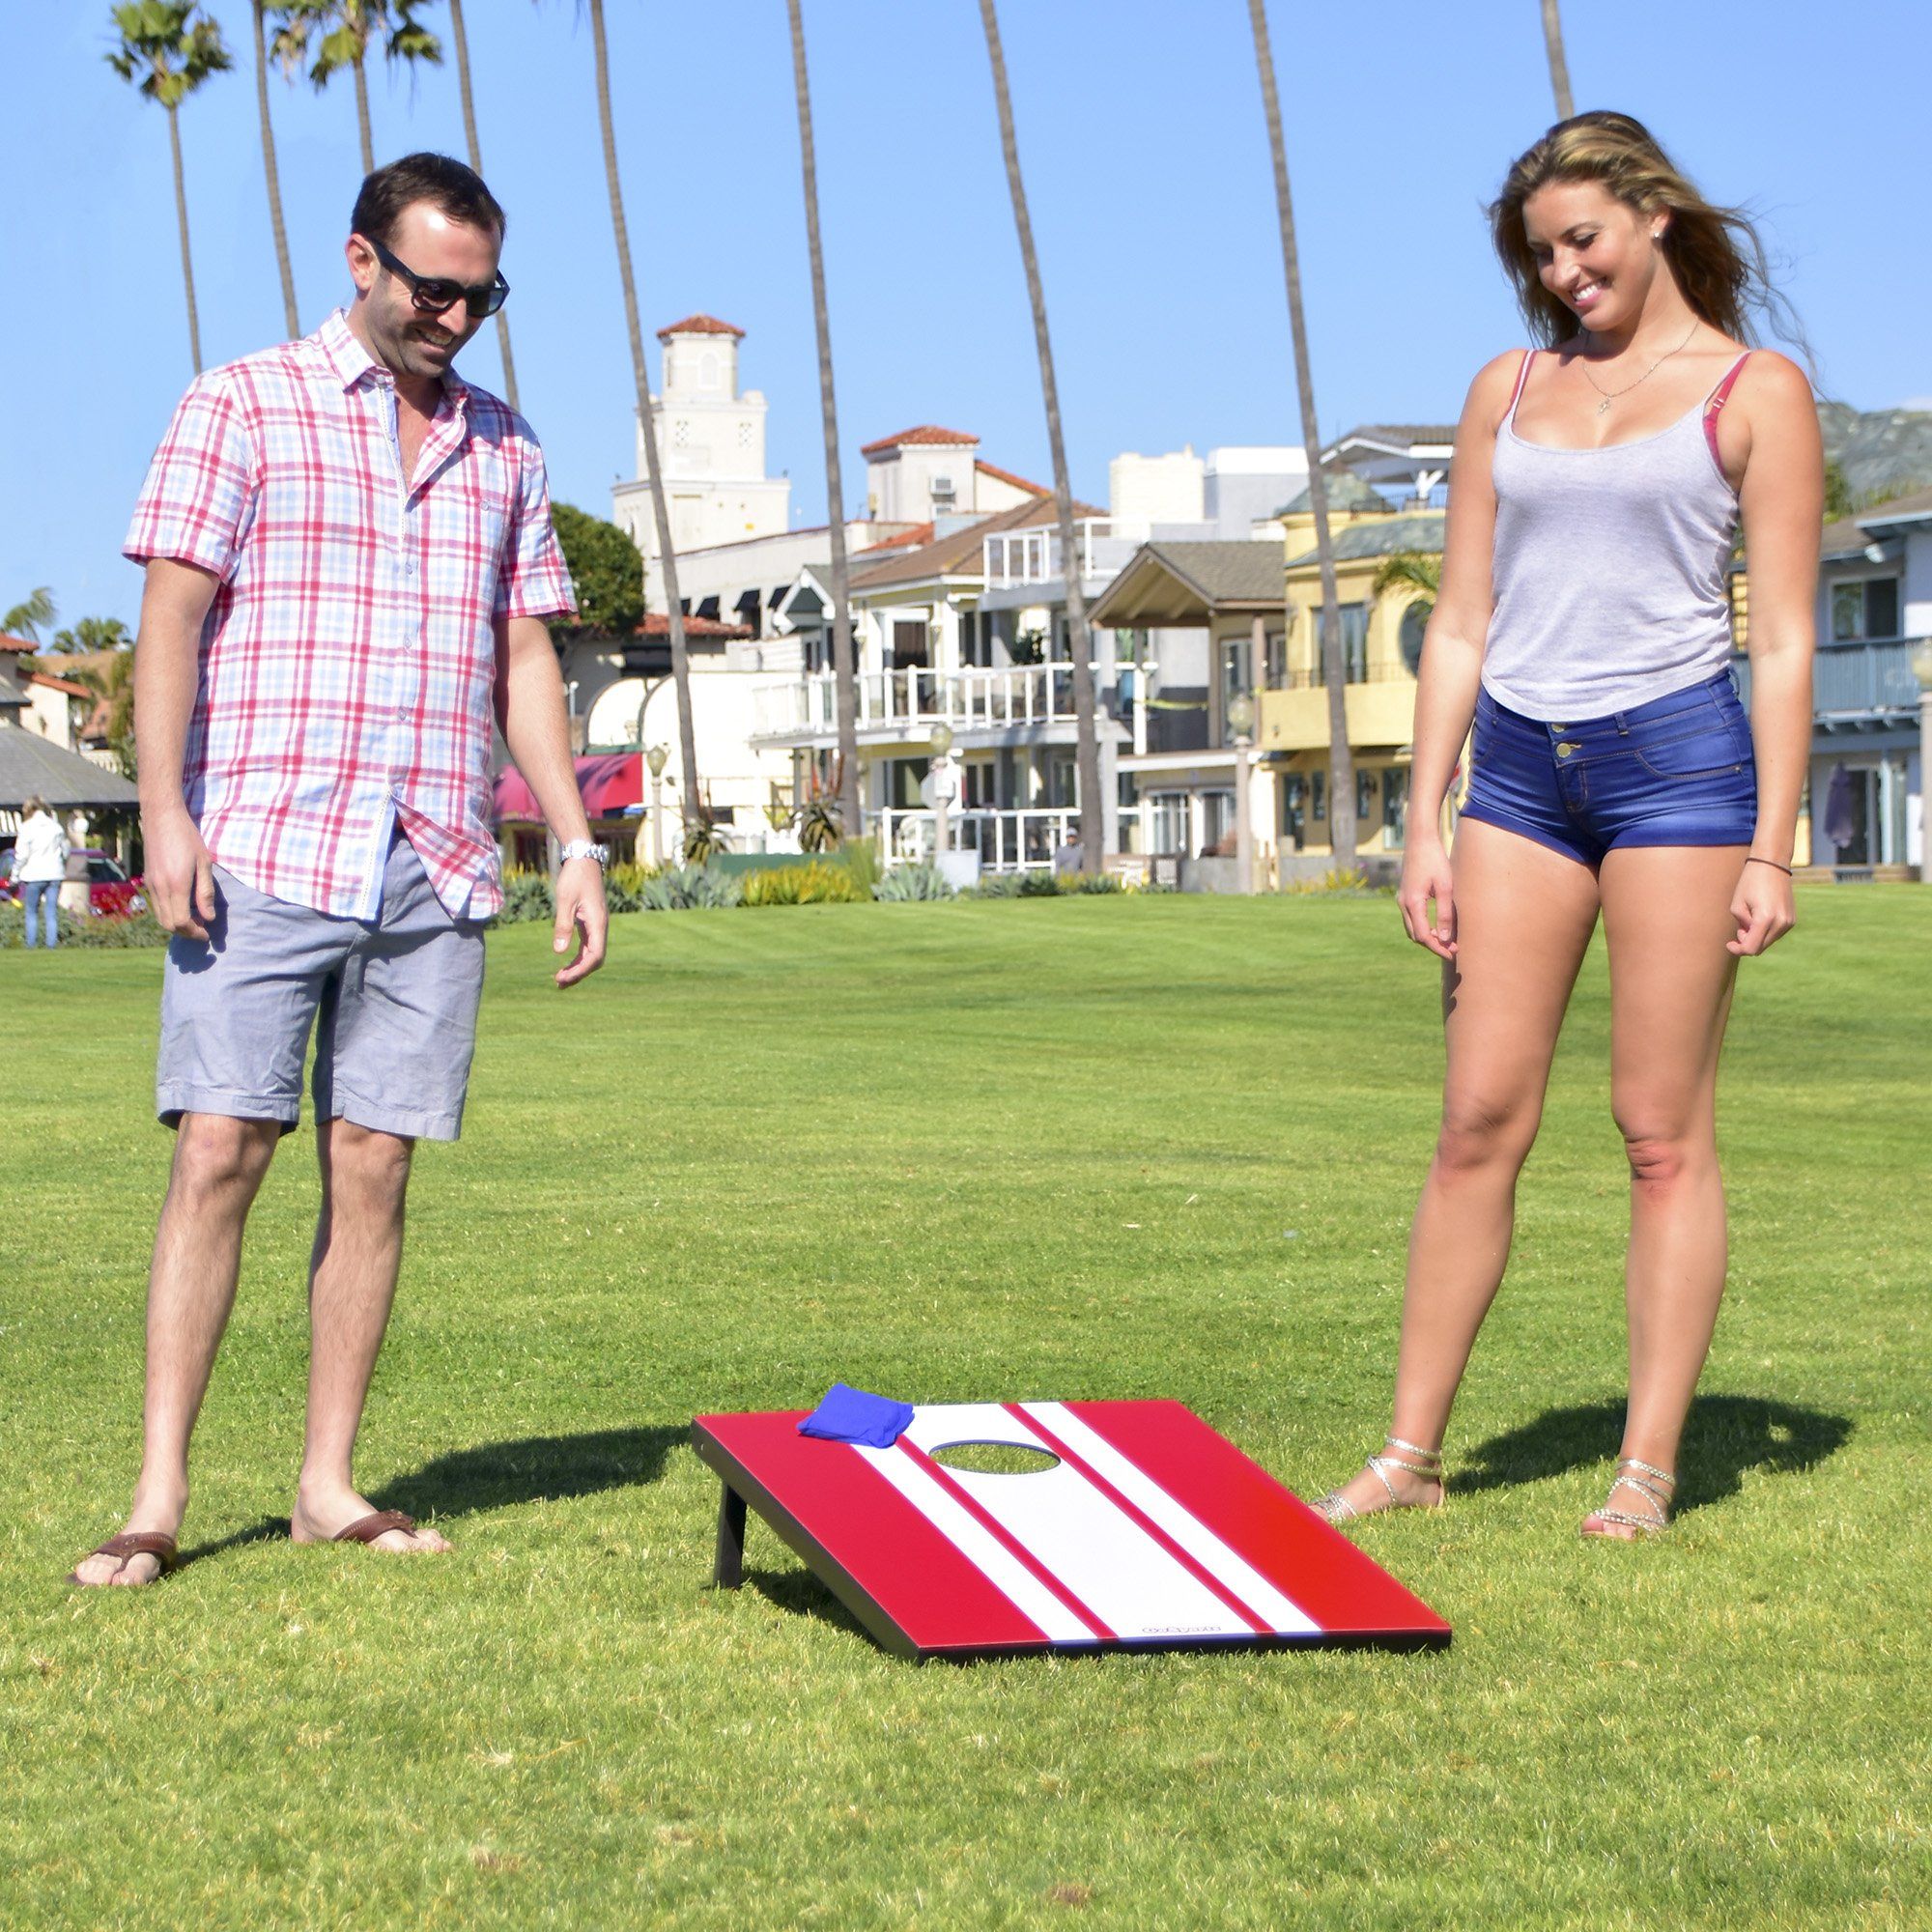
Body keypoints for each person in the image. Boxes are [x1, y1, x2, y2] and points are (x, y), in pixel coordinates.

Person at [70, 155, 608, 1587]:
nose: (455, 317)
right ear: (360, 261)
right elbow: (169, 625)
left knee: (372, 1168)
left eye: (480, 296)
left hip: (433, 857)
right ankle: (158, 1496)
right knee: (220, 1155)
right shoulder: (239, 402)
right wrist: (163, 816)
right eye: (433, 287)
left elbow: (525, 656)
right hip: (262, 845)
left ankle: (326, 1483)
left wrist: (571, 837)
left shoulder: (507, 446)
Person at [1314, 113, 1820, 1540]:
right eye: (1541, 254)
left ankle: (1647, 1467)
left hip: (1681, 772)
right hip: (1521, 779)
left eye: (1582, 239)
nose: (1563, 272)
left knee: (1659, 1132)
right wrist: (1423, 820)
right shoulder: (1510, 387)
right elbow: (1462, 619)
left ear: (1655, 217)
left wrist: (1772, 846)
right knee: (1477, 1119)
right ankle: (1407, 1453)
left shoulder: (1755, 391)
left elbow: (1780, 639)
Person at [13, 797, 68, 948]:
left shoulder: (27, 828)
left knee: (31, 912)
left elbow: (21, 855)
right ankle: (51, 946)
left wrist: (14, 876)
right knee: (51, 912)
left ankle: (31, 945)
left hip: (34, 874)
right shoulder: (56, 827)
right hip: (55, 874)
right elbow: (66, 851)